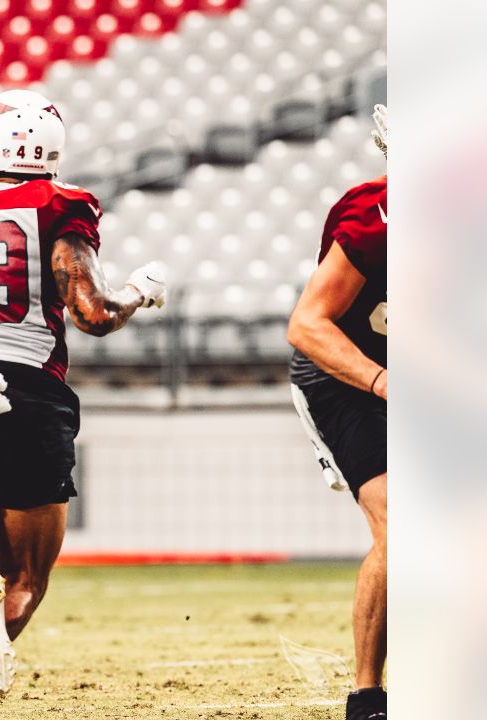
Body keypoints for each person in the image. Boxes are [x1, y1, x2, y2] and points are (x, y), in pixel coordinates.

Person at [0, 89, 168, 720]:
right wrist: (139, 292)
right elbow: (93, 313)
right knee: (24, 579)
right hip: (29, 390)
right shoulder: (60, 205)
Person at [286, 105, 387, 720]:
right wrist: (383, 383)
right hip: (347, 376)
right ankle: (367, 694)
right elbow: (306, 324)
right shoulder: (376, 220)